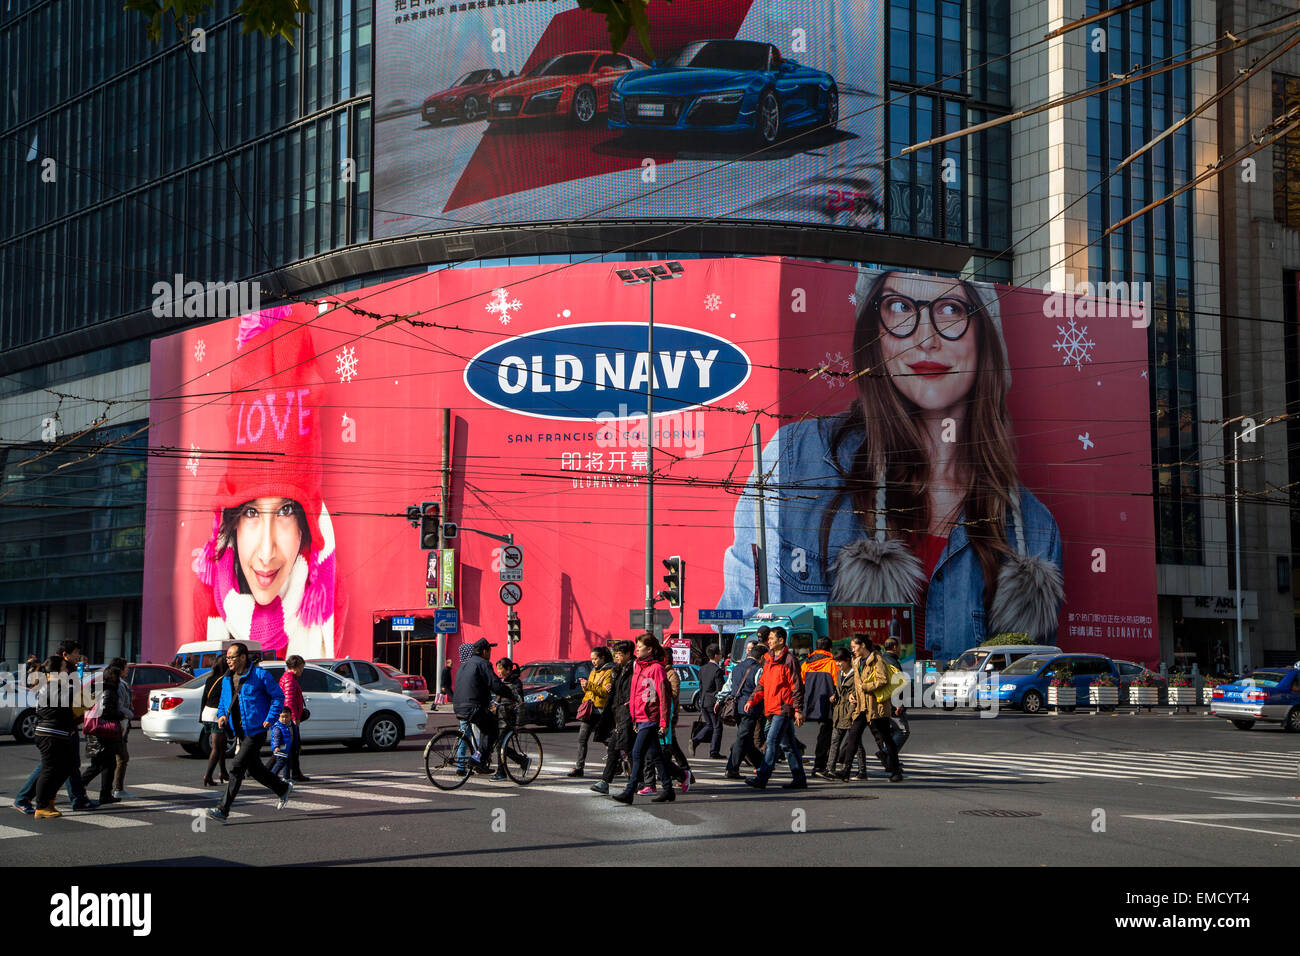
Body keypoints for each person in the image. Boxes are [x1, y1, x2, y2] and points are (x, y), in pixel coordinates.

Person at [719, 269, 1064, 663]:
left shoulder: (1033, 529)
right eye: (900, 307)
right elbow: (743, 629)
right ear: (874, 337)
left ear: (985, 338)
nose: (926, 338)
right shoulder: (796, 459)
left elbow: (1025, 671)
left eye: (950, 310)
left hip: (956, 721)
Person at [191, 312, 345, 658]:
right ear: (230, 521)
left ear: (308, 526)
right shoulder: (205, 600)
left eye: (286, 510)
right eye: (251, 512)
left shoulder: (334, 599)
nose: (265, 552)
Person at [208, 642, 293, 823]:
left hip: (256, 730)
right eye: (227, 657)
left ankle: (223, 810)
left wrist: (271, 717)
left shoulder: (260, 675)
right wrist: (222, 716)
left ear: (243, 657)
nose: (228, 661)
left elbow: (278, 696)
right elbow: (223, 703)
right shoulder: (227, 679)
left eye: (232, 657)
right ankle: (282, 788)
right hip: (240, 731)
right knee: (255, 770)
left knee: (236, 768)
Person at [13, 640, 94, 814]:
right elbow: (82, 699)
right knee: (51, 766)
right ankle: (37, 802)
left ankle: (67, 799)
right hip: (54, 731)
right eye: (75, 653)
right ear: (64, 656)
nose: (77, 657)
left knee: (65, 765)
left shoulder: (57, 681)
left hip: (62, 729)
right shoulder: (53, 683)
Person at [611, 633, 676, 804]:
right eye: (637, 647)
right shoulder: (637, 666)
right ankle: (668, 789)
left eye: (640, 647)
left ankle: (629, 790)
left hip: (650, 717)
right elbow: (634, 694)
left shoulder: (656, 668)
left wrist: (664, 722)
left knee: (637, 753)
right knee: (656, 755)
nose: (637, 650)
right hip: (639, 717)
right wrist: (634, 718)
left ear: (650, 649)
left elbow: (663, 696)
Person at [744, 628, 807, 790]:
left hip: (783, 708)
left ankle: (762, 777)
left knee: (771, 741)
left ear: (781, 641)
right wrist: (752, 699)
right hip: (771, 708)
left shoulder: (789, 660)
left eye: (772, 638)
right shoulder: (768, 660)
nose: (769, 641)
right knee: (788, 745)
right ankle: (799, 778)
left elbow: (797, 686)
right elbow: (763, 683)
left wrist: (798, 709)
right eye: (769, 638)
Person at [835, 636, 902, 783]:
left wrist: (865, 687)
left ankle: (896, 771)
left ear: (863, 645)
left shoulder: (877, 660)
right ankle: (846, 771)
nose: (852, 650)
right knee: (853, 735)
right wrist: (854, 694)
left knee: (886, 738)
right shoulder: (856, 661)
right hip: (862, 706)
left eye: (854, 646)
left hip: (876, 707)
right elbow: (857, 683)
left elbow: (883, 679)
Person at [452, 637, 520, 775]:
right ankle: (479, 759)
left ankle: (479, 759)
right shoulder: (483, 664)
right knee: (492, 729)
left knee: (483, 728)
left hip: (458, 706)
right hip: (474, 707)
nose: (490, 654)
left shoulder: (464, 664)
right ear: (484, 651)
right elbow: (495, 684)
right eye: (489, 650)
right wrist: (512, 695)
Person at [31, 657, 82, 819]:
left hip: (58, 733)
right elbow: (68, 703)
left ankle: (49, 800)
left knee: (65, 767)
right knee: (50, 769)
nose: (67, 671)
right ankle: (41, 806)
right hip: (49, 734)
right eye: (63, 668)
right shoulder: (51, 686)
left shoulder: (56, 686)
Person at [80, 665, 130, 805]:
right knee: (99, 765)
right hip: (103, 734)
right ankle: (78, 787)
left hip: (97, 733)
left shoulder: (99, 689)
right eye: (118, 676)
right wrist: (121, 715)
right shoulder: (109, 692)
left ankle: (105, 794)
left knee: (108, 764)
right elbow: (107, 712)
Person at [591, 641, 634, 795]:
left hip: (629, 715)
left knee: (636, 750)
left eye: (619, 655)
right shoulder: (617, 670)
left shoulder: (634, 669)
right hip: (618, 714)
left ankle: (679, 774)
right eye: (615, 654)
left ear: (628, 654)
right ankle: (605, 781)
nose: (616, 657)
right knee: (615, 749)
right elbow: (617, 694)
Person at [721, 641, 766, 779]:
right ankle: (732, 768)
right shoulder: (758, 669)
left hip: (737, 707)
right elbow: (760, 688)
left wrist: (719, 699)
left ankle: (762, 765)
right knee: (743, 738)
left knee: (746, 739)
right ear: (762, 657)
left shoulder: (736, 667)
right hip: (750, 707)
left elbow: (728, 686)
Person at [569, 646, 613, 778]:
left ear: (602, 658)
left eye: (595, 659)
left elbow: (605, 693)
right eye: (592, 659)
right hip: (589, 710)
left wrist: (589, 686)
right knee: (582, 739)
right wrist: (585, 687)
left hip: (601, 710)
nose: (593, 661)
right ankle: (579, 767)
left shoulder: (609, 672)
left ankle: (615, 763)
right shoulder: (593, 671)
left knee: (606, 740)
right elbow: (591, 691)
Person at [828, 649, 867, 778]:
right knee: (835, 741)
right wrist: (834, 696)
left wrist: (854, 695)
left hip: (852, 712)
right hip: (839, 712)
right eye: (836, 662)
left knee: (855, 742)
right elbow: (839, 691)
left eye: (840, 661)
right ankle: (830, 769)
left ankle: (862, 771)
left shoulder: (856, 674)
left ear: (847, 660)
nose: (838, 664)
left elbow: (860, 689)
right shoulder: (839, 674)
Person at [801, 636, 838, 775]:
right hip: (829, 705)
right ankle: (820, 764)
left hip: (811, 705)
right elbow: (838, 685)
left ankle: (822, 762)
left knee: (824, 733)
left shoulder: (806, 664)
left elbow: (800, 685)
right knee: (827, 735)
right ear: (830, 649)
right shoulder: (832, 664)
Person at [490, 658, 527, 780]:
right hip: (499, 717)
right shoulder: (503, 681)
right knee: (499, 744)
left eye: (501, 669)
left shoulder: (515, 682)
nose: (499, 672)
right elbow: (498, 697)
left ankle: (501, 772)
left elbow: (519, 701)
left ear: (508, 669)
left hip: (509, 718)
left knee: (500, 744)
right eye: (498, 669)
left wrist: (518, 722)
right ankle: (521, 760)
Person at [878, 637, 910, 771]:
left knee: (891, 733)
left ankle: (891, 761)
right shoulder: (892, 662)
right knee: (903, 731)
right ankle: (885, 753)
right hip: (892, 703)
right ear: (895, 647)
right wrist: (898, 703)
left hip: (882, 702)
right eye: (900, 646)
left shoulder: (882, 660)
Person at [691, 644, 725, 759]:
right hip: (713, 702)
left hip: (704, 700)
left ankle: (696, 740)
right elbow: (719, 688)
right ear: (716, 655)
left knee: (710, 724)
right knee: (717, 726)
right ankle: (713, 751)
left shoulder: (702, 669)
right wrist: (719, 701)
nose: (721, 655)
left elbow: (701, 686)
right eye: (720, 653)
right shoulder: (717, 670)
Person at [201, 655, 231, 787]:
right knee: (217, 748)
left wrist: (200, 717)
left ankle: (223, 772)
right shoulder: (225, 680)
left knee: (222, 744)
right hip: (216, 715)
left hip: (207, 713)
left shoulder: (210, 679)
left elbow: (204, 698)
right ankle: (208, 775)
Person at [279, 655, 309, 782]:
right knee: (292, 746)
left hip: (290, 717)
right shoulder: (290, 680)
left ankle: (296, 772)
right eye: (301, 667)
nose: (302, 670)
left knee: (291, 746)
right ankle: (293, 773)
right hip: (290, 718)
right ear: (295, 667)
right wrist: (295, 718)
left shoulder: (289, 678)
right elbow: (289, 701)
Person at [269, 708, 295, 780]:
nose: (284, 719)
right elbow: (276, 737)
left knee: (287, 763)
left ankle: (286, 778)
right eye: (282, 717)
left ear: (290, 717)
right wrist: (276, 746)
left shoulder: (290, 725)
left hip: (287, 748)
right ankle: (271, 777)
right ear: (279, 717)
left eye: (286, 716)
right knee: (280, 763)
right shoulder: (278, 727)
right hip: (280, 749)